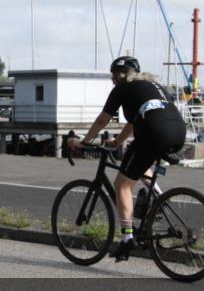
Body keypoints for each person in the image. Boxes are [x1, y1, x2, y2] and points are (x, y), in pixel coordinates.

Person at [68, 56, 186, 262]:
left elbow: (103, 119)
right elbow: (133, 122)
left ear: (121, 76)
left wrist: (84, 142)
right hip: (178, 131)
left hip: (154, 131)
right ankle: (158, 198)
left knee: (122, 184)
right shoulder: (152, 85)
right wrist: (118, 141)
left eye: (114, 76)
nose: (113, 81)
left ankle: (127, 238)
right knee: (138, 165)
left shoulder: (123, 88)